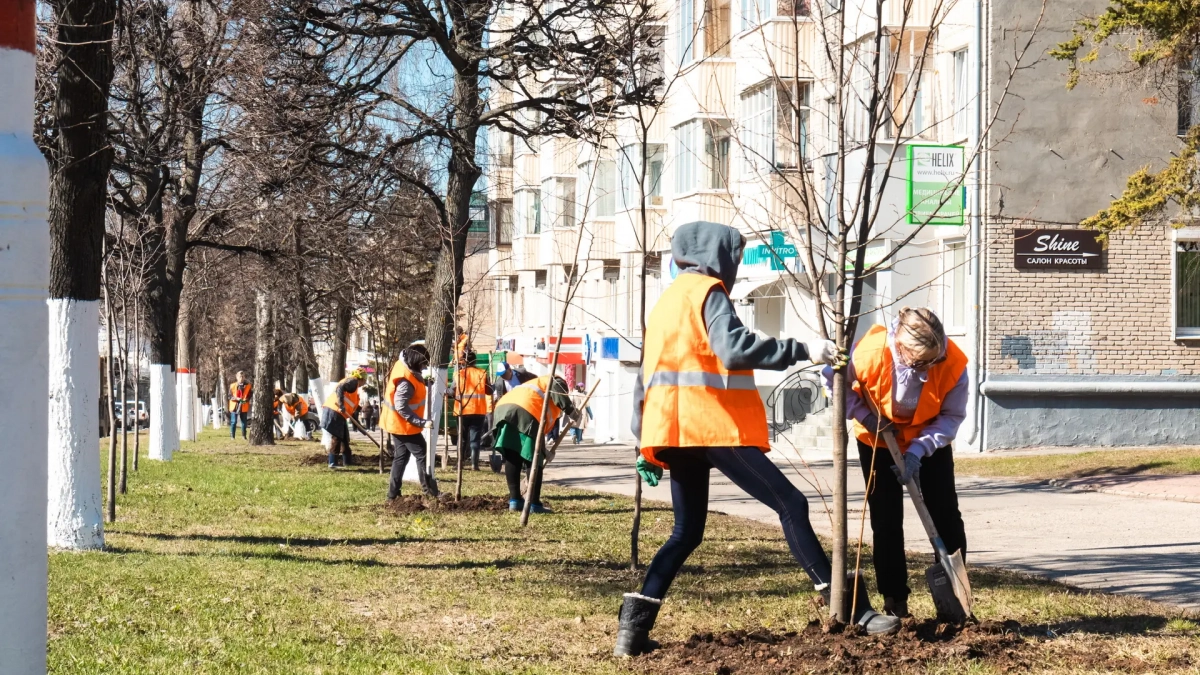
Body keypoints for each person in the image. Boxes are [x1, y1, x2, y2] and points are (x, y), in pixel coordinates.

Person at [612, 222, 900, 658]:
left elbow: (646, 377)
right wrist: (803, 349)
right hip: (710, 424)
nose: (736, 266)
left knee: (686, 532)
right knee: (791, 504)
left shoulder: (667, 301)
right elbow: (733, 350)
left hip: (673, 430)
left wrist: (644, 440)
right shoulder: (708, 292)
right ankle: (852, 611)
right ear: (717, 256)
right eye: (735, 257)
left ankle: (631, 632)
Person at [828, 306, 969, 620]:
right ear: (900, 346)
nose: (927, 368)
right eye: (919, 362)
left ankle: (957, 599)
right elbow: (834, 382)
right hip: (878, 439)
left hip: (929, 440)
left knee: (945, 514)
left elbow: (951, 416)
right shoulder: (869, 353)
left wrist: (918, 451)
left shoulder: (953, 363)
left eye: (933, 361)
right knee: (886, 519)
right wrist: (866, 416)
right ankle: (895, 600)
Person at [491, 373, 576, 514]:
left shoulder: (534, 385)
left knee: (512, 456)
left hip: (503, 409)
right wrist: (572, 411)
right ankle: (534, 504)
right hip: (526, 409)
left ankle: (515, 501)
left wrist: (545, 451)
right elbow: (557, 390)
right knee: (534, 459)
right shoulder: (554, 380)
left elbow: (537, 435)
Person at [381, 344, 438, 499]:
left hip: (397, 423)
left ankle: (392, 495)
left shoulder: (403, 365)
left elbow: (413, 378)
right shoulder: (405, 381)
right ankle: (430, 492)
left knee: (401, 457)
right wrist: (421, 422)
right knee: (422, 454)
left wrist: (423, 381)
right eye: (423, 364)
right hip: (403, 424)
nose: (425, 367)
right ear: (415, 361)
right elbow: (401, 406)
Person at [451, 349, 492, 470]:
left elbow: (452, 391)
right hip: (478, 411)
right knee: (475, 439)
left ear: (463, 361)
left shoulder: (458, 374)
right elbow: (489, 391)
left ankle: (460, 463)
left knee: (462, 438)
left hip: (462, 411)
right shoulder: (482, 373)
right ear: (475, 361)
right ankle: (474, 464)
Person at [320, 368, 366, 468]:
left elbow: (352, 412)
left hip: (339, 413)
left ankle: (347, 462)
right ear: (361, 379)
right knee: (337, 436)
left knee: (344, 438)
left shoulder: (354, 388)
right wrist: (341, 405)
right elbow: (340, 387)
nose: (364, 383)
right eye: (365, 380)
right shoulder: (353, 381)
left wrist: (360, 427)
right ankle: (332, 462)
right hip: (335, 410)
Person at [228, 371, 252, 440]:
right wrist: (236, 398)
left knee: (244, 422)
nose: (241, 378)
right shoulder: (232, 386)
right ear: (237, 377)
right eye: (240, 376)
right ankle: (232, 436)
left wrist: (246, 400)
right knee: (233, 422)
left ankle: (244, 436)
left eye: (243, 376)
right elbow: (229, 396)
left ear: (244, 377)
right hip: (234, 406)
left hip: (243, 405)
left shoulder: (248, 386)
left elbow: (250, 395)